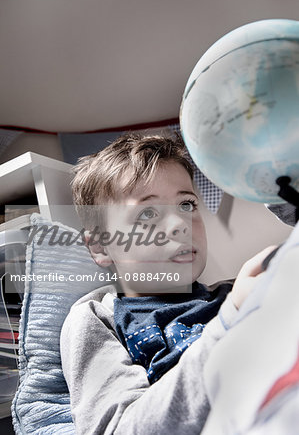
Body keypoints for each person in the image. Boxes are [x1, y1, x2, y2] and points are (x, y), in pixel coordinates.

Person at [60, 131, 275, 434]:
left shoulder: (234, 292)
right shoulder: (98, 318)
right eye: (147, 212)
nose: (179, 225)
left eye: (186, 205)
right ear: (100, 246)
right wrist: (226, 326)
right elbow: (116, 428)